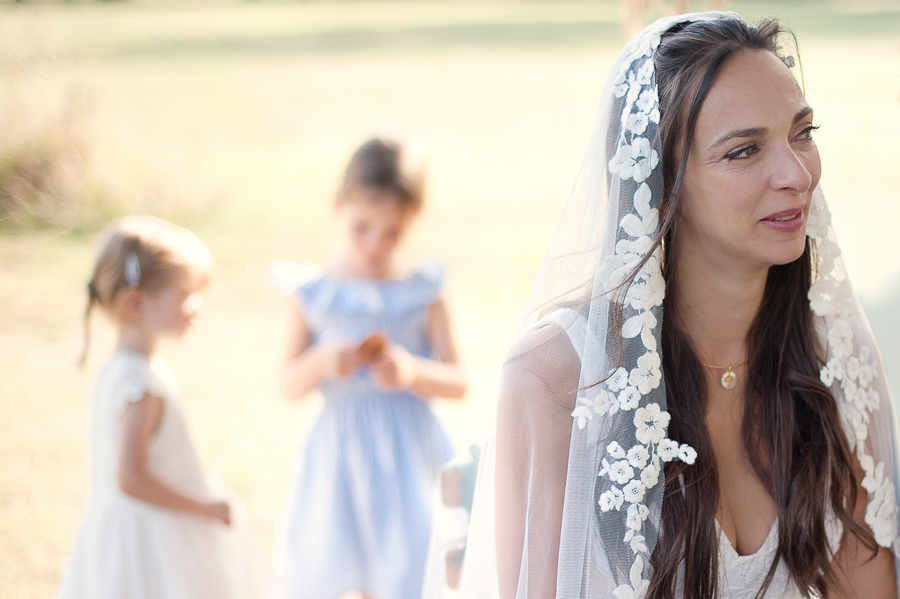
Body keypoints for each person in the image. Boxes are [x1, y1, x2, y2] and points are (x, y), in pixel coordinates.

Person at [456, 12, 900, 599]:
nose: (797, 173)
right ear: (660, 180)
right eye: (744, 151)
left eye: (803, 133)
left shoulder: (833, 355)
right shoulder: (555, 379)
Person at [274, 137, 468, 599]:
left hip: (410, 451)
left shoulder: (422, 292)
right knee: (352, 573)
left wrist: (411, 372)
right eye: (362, 227)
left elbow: (460, 380)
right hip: (341, 454)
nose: (375, 245)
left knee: (409, 569)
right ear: (338, 206)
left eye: (392, 233)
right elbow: (287, 384)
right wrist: (321, 362)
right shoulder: (316, 295)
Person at [57, 215, 256, 599]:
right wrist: (203, 507)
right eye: (184, 295)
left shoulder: (119, 370)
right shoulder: (142, 387)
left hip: (114, 530)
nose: (195, 306)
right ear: (136, 302)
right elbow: (131, 478)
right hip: (150, 538)